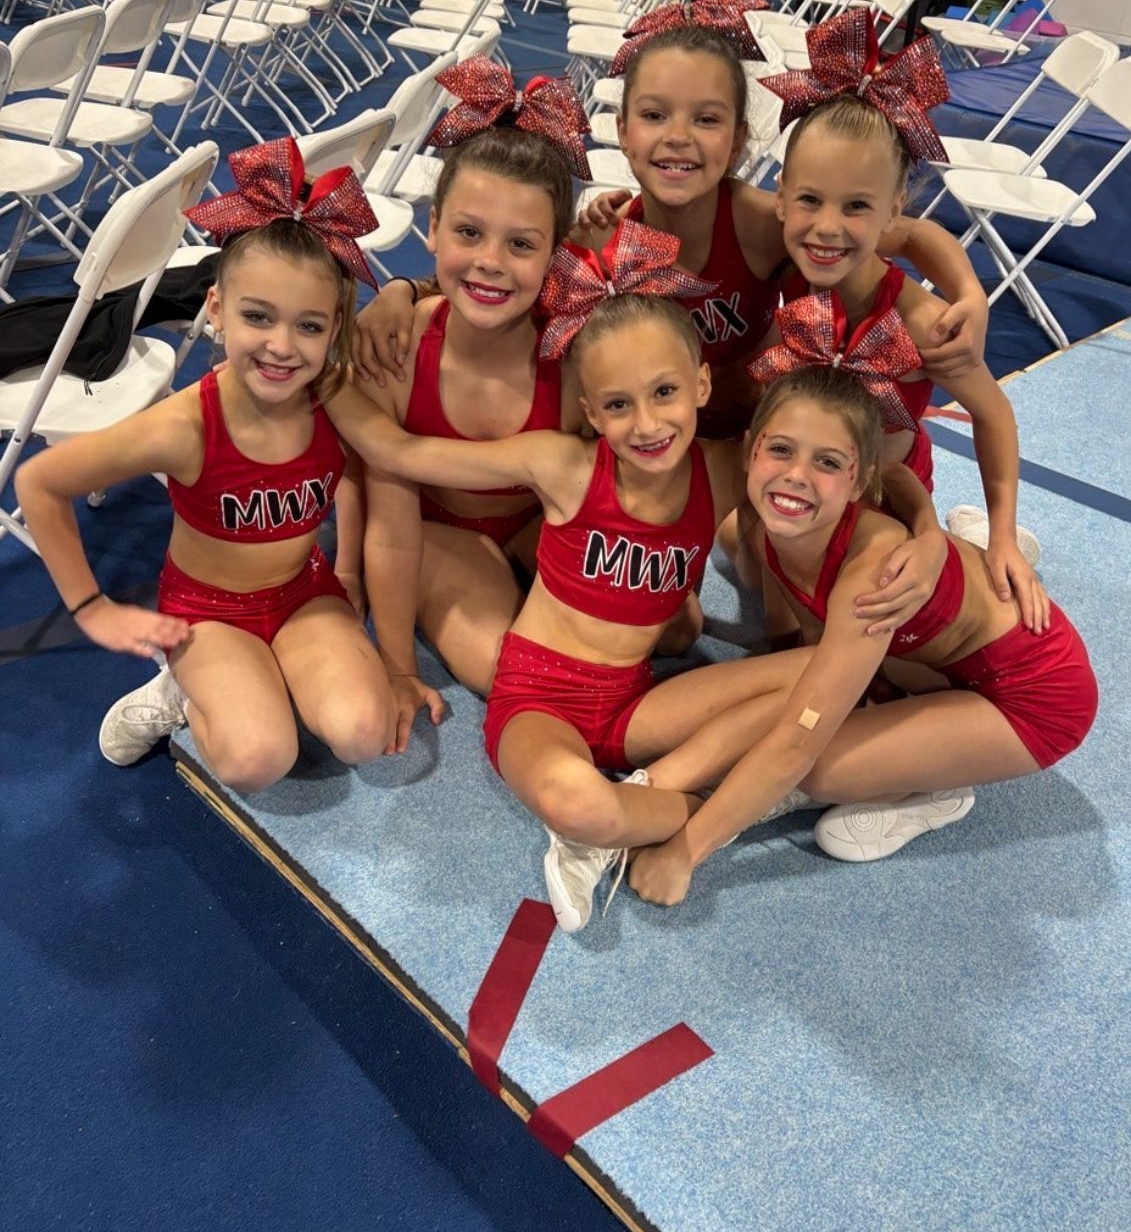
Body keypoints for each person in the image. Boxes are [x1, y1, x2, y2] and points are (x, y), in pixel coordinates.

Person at [328, 264, 948, 932]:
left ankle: (682, 799)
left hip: (636, 701)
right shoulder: (561, 465)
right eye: (619, 405)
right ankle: (734, 804)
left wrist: (930, 533)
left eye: (664, 393)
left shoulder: (725, 467)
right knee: (581, 808)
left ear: (701, 385)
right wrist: (323, 372)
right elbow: (398, 450)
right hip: (538, 701)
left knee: (833, 674)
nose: (647, 423)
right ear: (591, 412)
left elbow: (866, 464)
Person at [626, 366, 1097, 907]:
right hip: (943, 665)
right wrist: (927, 527)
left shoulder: (872, 576)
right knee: (806, 676)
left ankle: (932, 789)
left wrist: (685, 851)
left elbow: (796, 746)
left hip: (1036, 702)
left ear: (857, 481)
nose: (796, 475)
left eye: (826, 462)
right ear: (751, 450)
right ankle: (922, 703)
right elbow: (894, 478)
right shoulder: (783, 523)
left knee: (821, 766)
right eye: (781, 450)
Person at [15, 139, 397, 792]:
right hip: (207, 609)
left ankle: (263, 678)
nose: (281, 346)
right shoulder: (185, 425)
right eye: (258, 317)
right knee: (258, 760)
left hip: (301, 590)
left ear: (336, 327)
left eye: (308, 326)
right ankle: (181, 695)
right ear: (216, 309)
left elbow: (361, 467)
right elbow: (39, 481)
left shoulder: (332, 395)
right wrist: (91, 607)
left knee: (364, 734)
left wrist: (350, 569)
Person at [751, 8, 1043, 623]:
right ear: (781, 198)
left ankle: (974, 540)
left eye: (856, 207)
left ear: (891, 210)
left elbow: (994, 413)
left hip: (886, 502)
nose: (827, 226)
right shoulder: (788, 260)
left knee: (873, 615)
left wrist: (1005, 536)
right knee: (747, 549)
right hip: (804, 481)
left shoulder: (922, 324)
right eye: (810, 200)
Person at [573, 10, 991, 437]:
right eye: (654, 115)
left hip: (761, 433)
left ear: (738, 140)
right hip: (664, 440)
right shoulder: (607, 241)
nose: (678, 136)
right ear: (623, 132)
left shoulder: (759, 223)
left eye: (706, 119)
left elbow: (912, 235)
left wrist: (971, 294)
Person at [354, 118, 583, 710]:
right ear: (432, 228)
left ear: (555, 254)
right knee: (502, 670)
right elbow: (392, 533)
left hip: (531, 521)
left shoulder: (575, 358)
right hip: (433, 531)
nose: (490, 261)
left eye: (521, 244)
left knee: (673, 625)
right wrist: (397, 668)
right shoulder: (395, 350)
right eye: (469, 232)